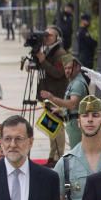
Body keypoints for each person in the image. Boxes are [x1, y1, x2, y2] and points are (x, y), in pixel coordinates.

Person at [35, 26, 68, 166]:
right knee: (51, 126)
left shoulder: (60, 53)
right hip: (48, 94)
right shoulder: (47, 51)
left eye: (50, 36)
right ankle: (52, 155)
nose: (46, 38)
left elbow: (58, 73)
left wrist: (43, 61)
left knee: (57, 127)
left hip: (56, 94)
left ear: (57, 38)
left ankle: (58, 156)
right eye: (45, 35)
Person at [40, 55, 88, 148]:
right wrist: (61, 109)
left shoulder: (77, 83)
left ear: (78, 67)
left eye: (70, 68)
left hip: (76, 124)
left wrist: (52, 98)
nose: (67, 71)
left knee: (76, 153)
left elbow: (72, 104)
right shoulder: (74, 81)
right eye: (65, 68)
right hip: (73, 122)